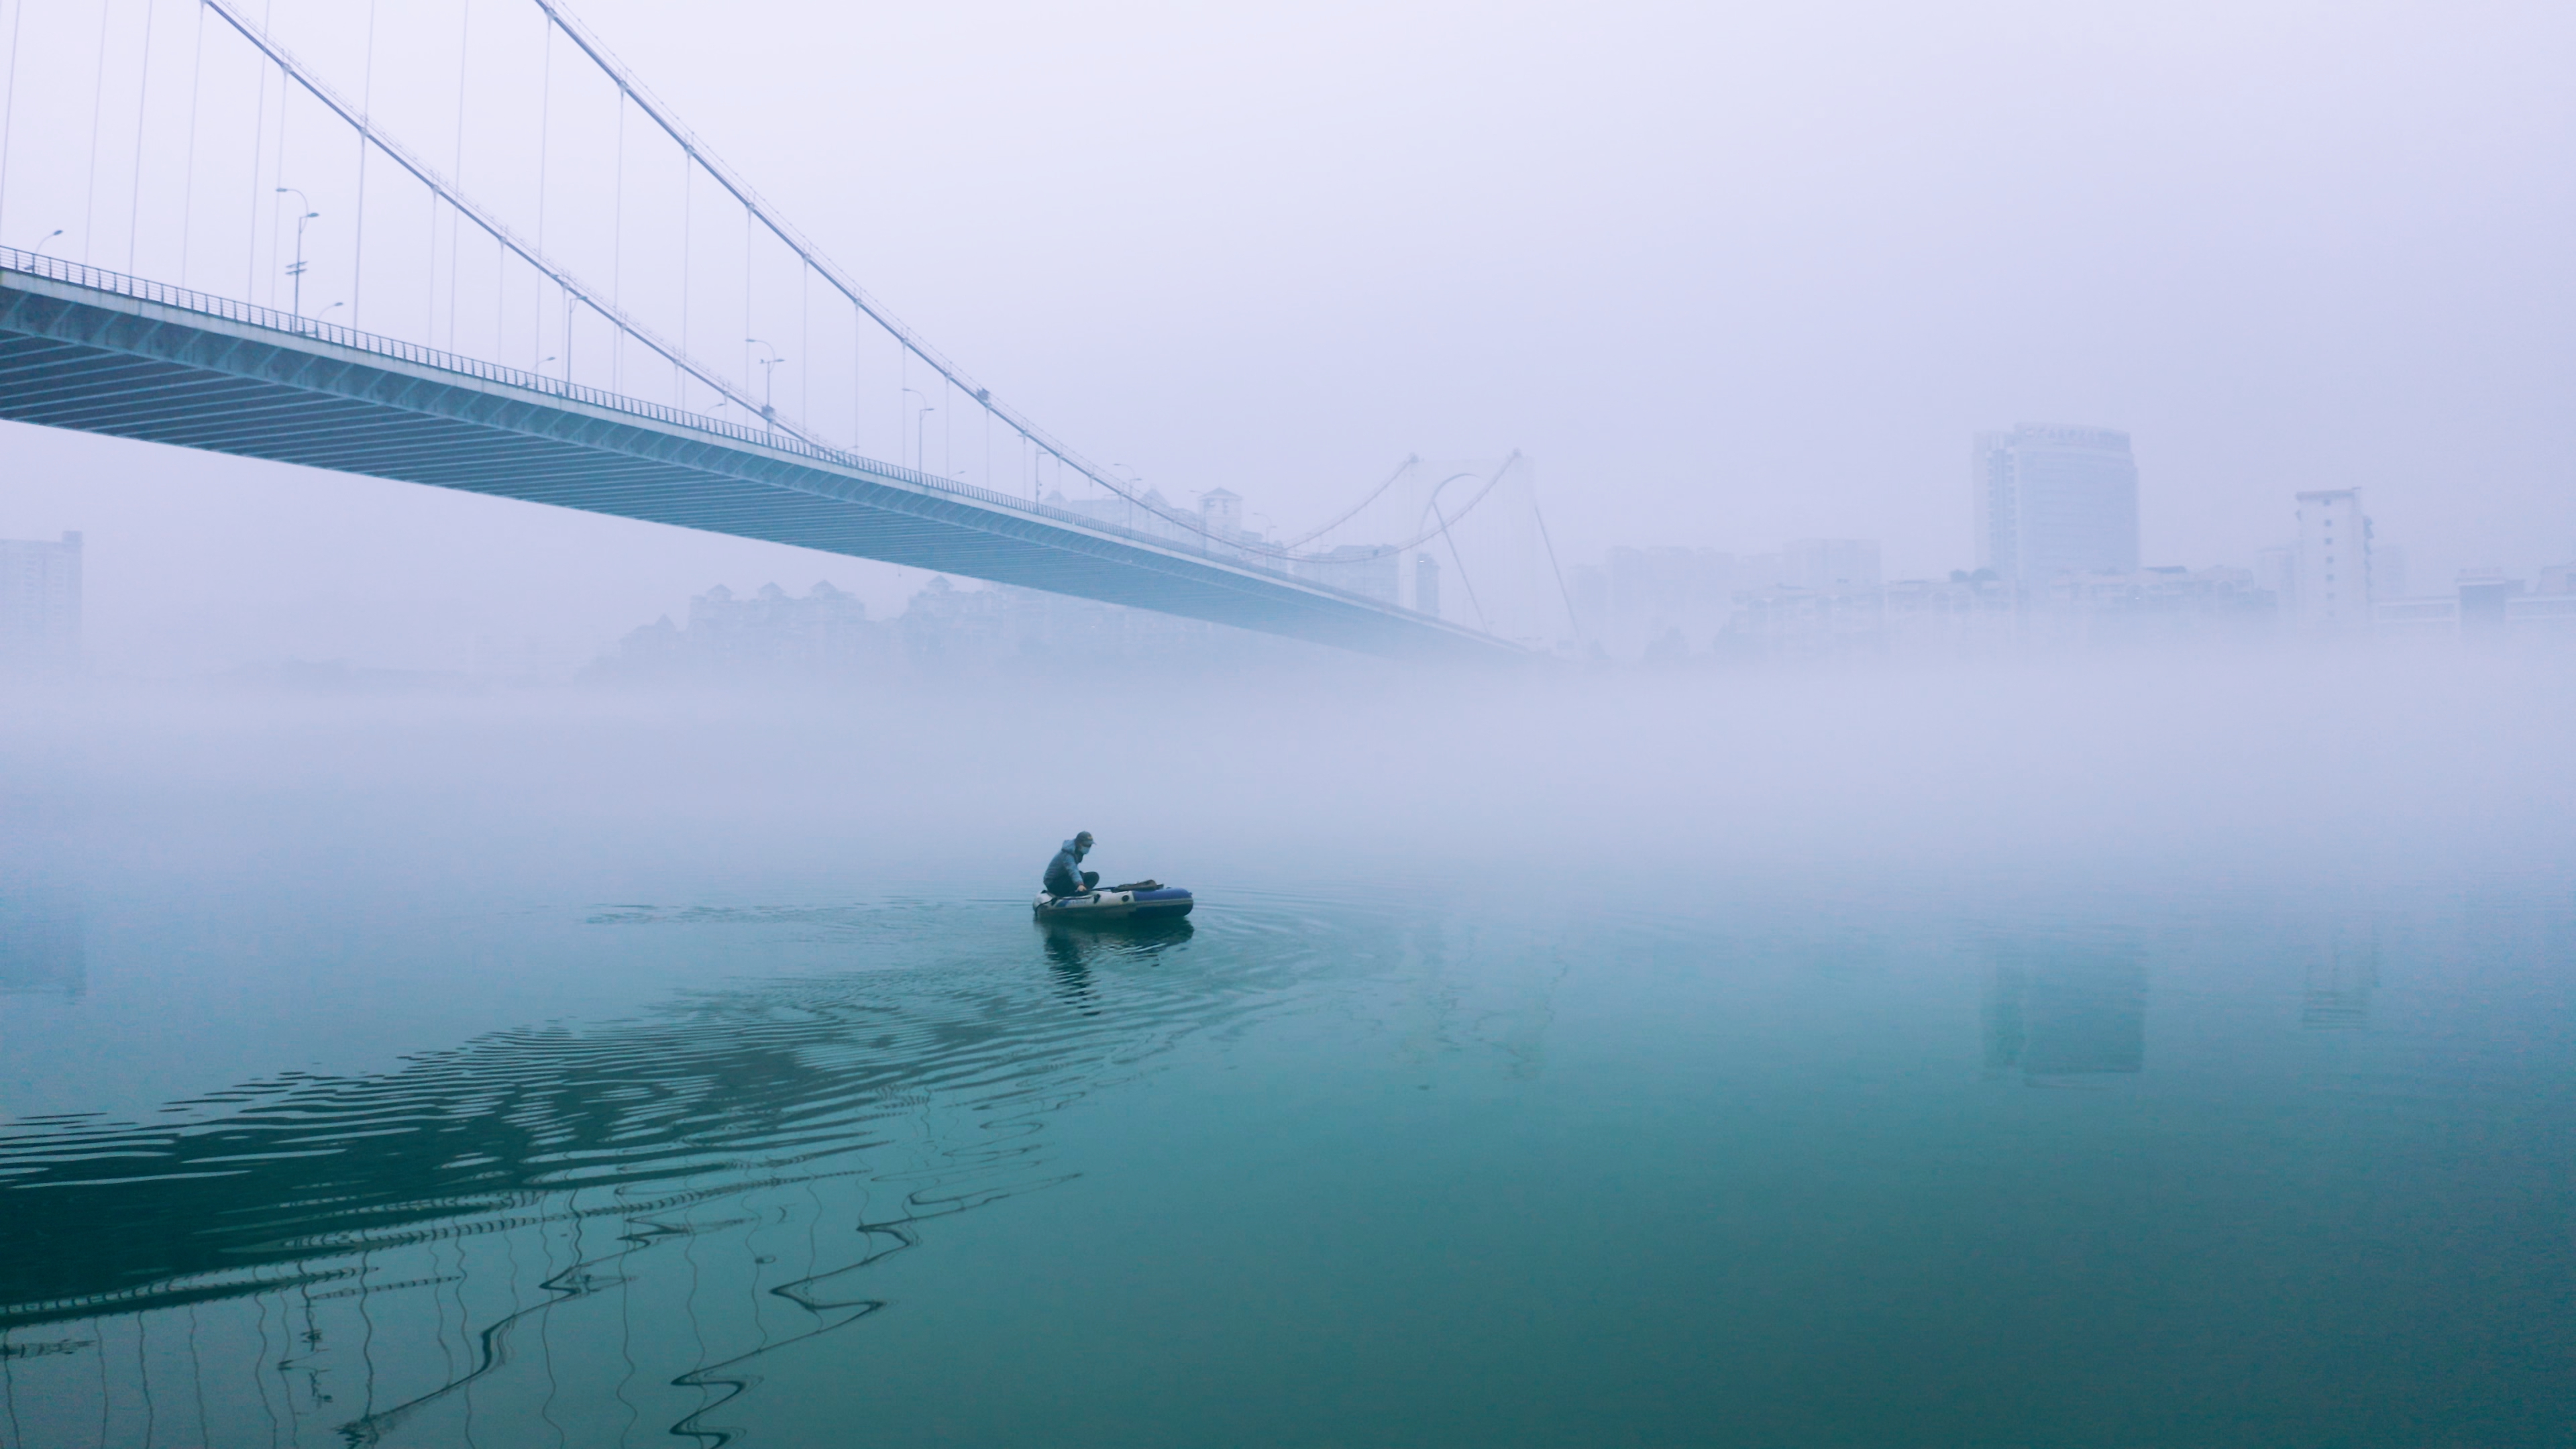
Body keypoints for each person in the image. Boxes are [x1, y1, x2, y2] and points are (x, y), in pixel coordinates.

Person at [1044, 832, 1099, 898]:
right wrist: (1080, 884)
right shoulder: (1067, 854)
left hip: (1065, 878)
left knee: (1094, 876)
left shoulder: (1077, 851)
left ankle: (1083, 891)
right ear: (1079, 843)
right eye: (1087, 845)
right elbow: (1073, 870)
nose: (1088, 847)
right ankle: (1077, 894)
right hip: (1053, 883)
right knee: (1079, 875)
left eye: (1090, 845)